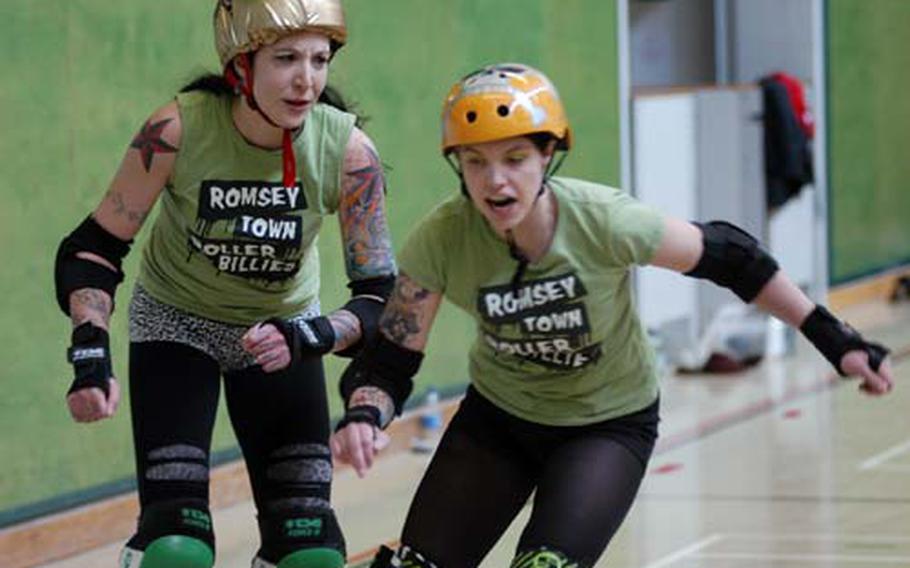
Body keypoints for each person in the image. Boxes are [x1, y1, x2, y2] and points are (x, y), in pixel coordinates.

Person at [330, 63, 894, 568]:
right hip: (498, 422)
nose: (495, 181)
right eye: (475, 162)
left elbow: (733, 259)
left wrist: (830, 334)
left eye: (515, 159)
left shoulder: (603, 221)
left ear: (548, 154)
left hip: (604, 426)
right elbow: (392, 357)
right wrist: (364, 415)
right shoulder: (445, 236)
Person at [53, 1, 396, 567]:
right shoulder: (177, 129)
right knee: (176, 551)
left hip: (282, 336)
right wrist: (90, 351)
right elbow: (92, 250)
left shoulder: (348, 152)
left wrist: (308, 336)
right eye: (285, 58)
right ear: (242, 63)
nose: (306, 80)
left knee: (309, 556)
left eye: (319, 59)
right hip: (175, 323)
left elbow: (380, 298)